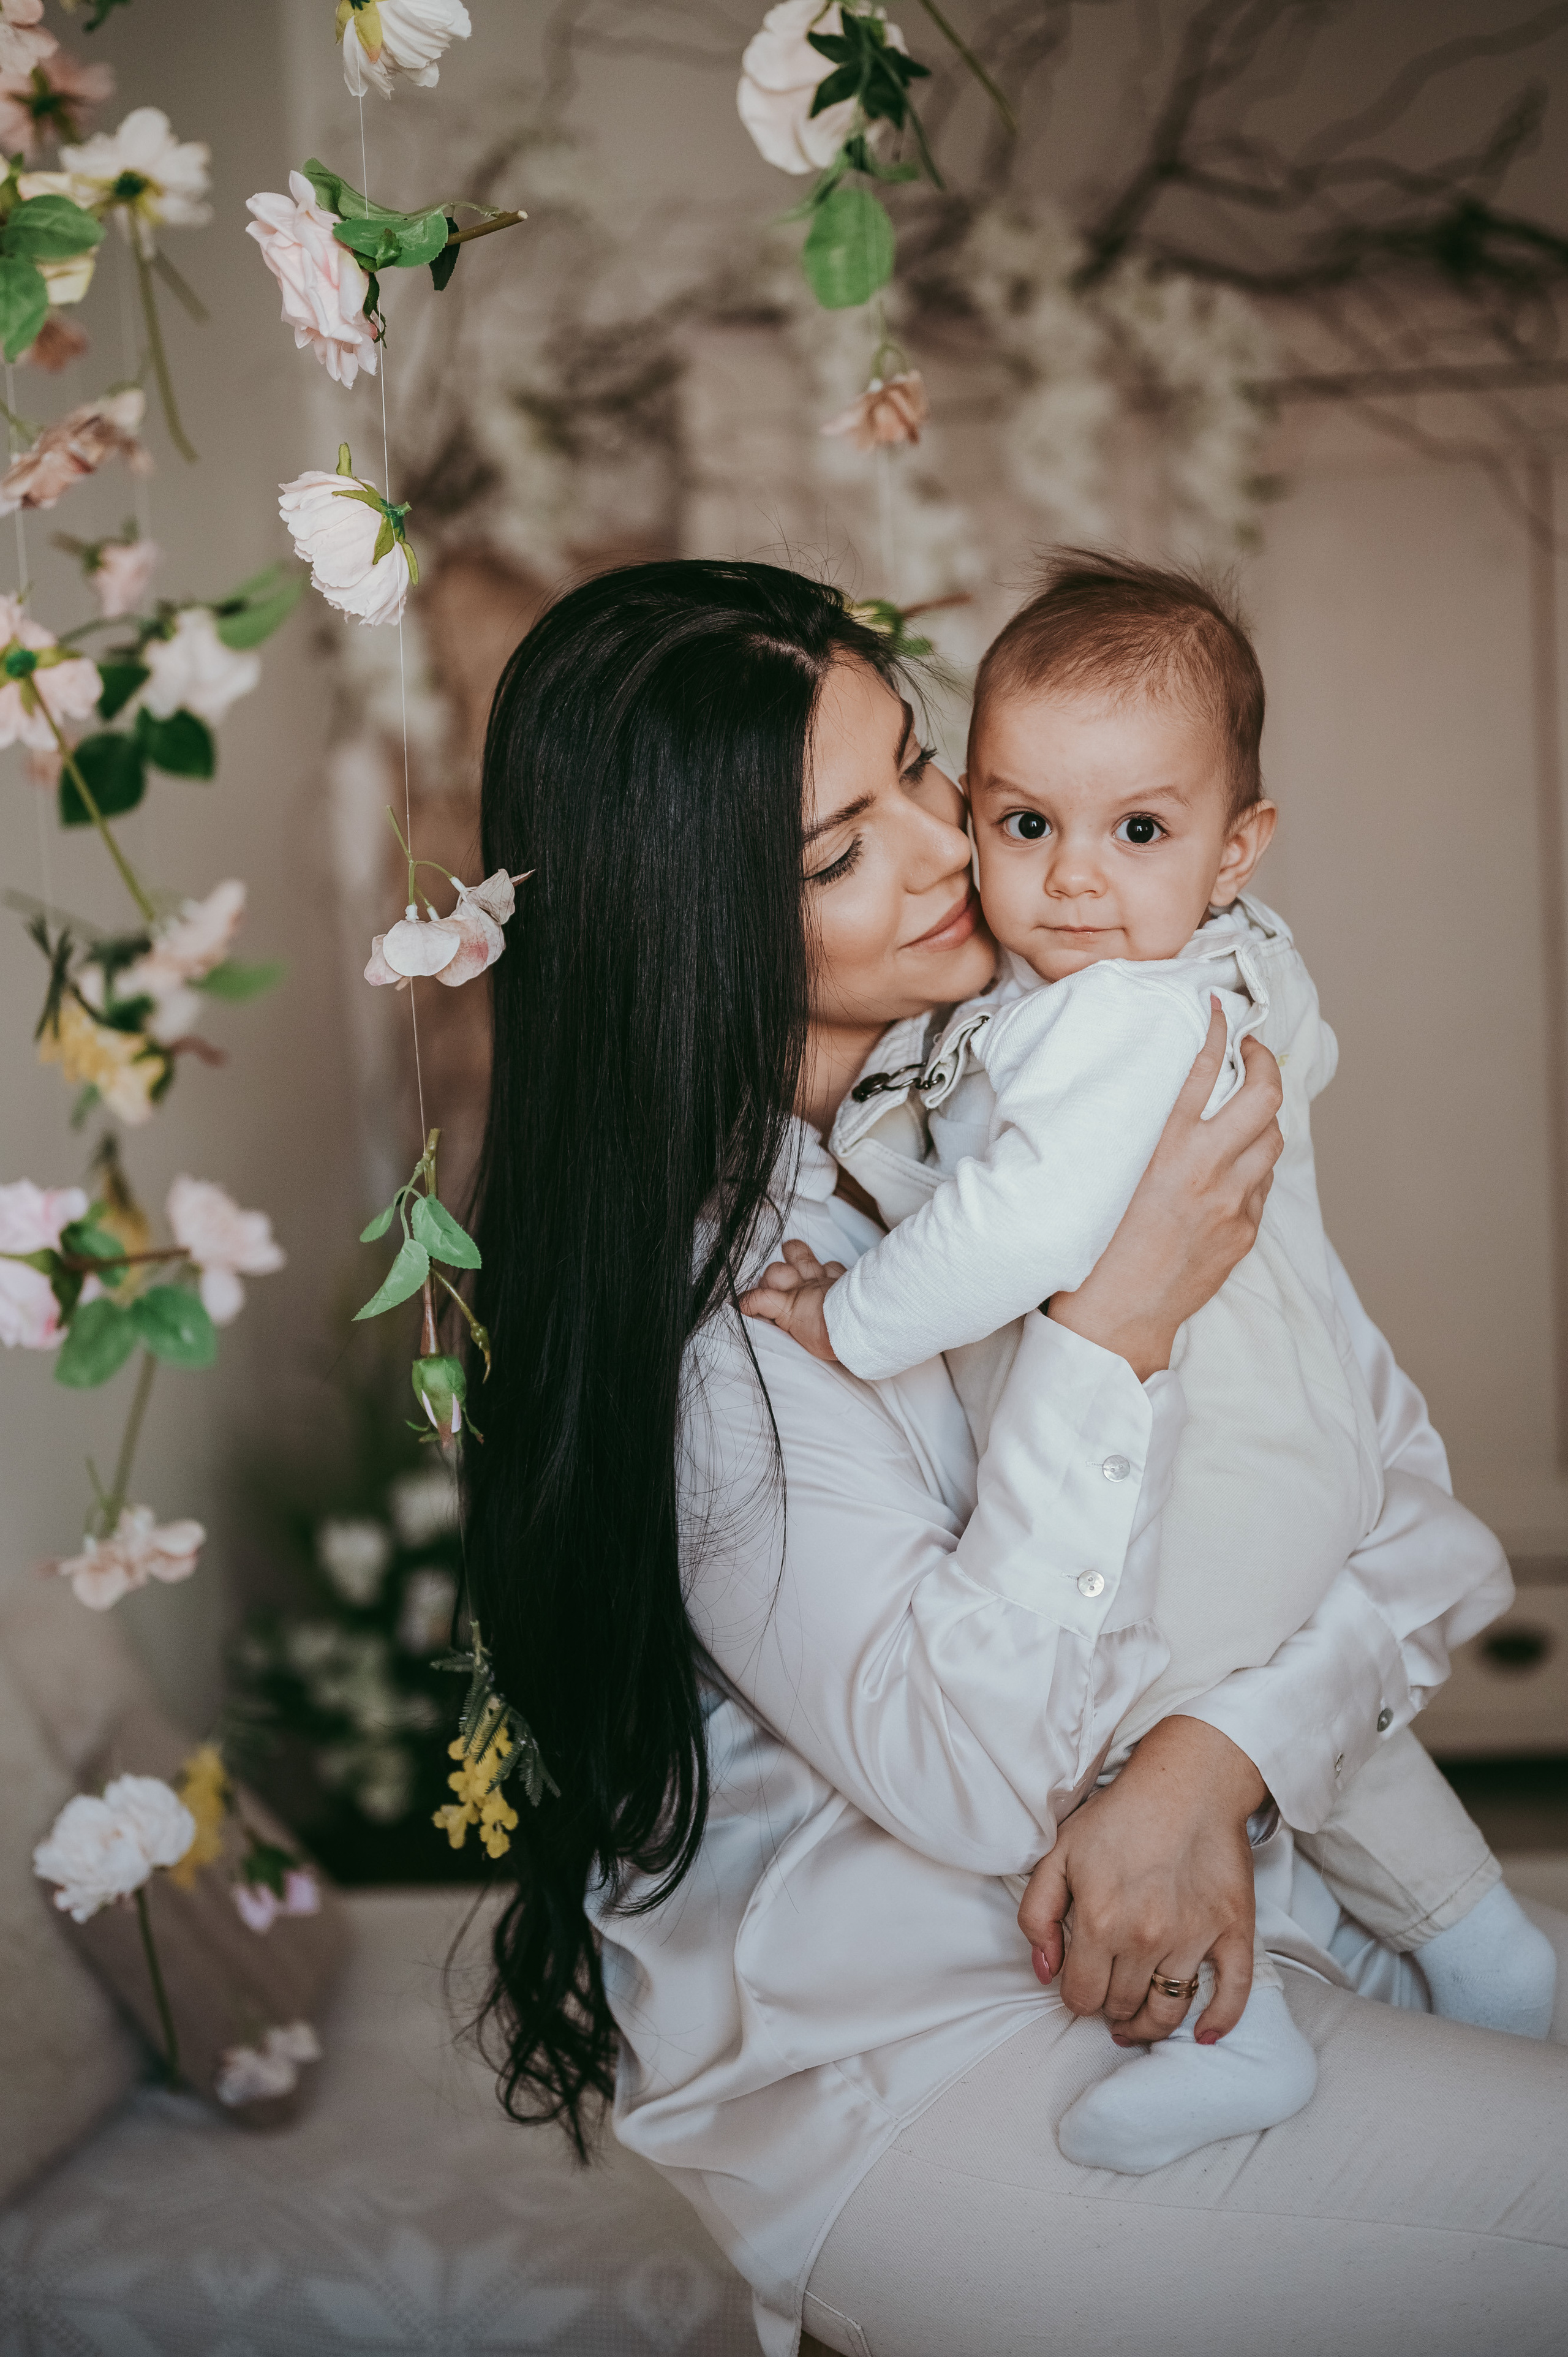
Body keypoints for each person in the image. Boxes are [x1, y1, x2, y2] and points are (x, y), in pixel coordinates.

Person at [463, 558, 1568, 2357]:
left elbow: (1420, 1533)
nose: (952, 850)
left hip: (1233, 1932)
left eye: (920, 770)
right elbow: (976, 1781)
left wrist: (1214, 1762)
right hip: (924, 2070)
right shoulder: (735, 1316)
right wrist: (1104, 1332)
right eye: (838, 851)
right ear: (688, 922)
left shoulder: (1075, 1082)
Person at [741, 554, 1553, 2177]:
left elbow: (1015, 1229)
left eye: (919, 774)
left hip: (1244, 1476)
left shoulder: (1117, 1019)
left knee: (1120, 1709)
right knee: (1307, 1745)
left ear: (1235, 849)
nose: (1043, 876)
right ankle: (1495, 1956)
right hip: (1296, 1476)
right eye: (1020, 819)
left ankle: (1226, 2033)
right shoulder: (1147, 992)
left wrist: (854, 1317)